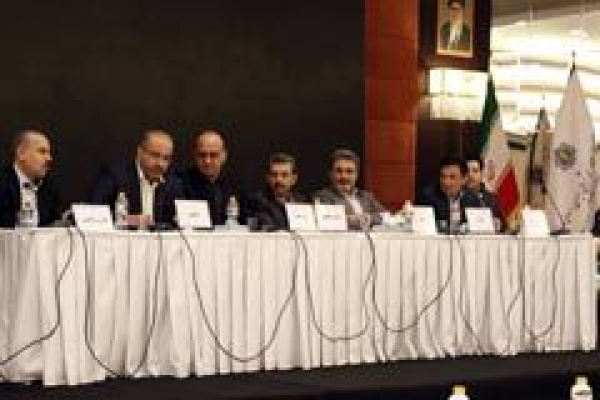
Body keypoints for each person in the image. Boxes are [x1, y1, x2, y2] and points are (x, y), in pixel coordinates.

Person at [90, 130, 184, 228]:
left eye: (166, 158)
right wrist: (127, 220)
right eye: (155, 155)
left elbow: (179, 220)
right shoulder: (115, 176)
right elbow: (93, 214)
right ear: (139, 152)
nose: (160, 164)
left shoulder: (174, 184)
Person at [180, 130, 245, 225]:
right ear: (195, 155)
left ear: (224, 156)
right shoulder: (180, 183)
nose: (207, 161)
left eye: (213, 155)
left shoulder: (235, 185)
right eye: (202, 155)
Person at [0, 130, 61, 228]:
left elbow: (53, 224)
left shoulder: (50, 187)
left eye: (49, 153)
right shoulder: (3, 181)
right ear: (21, 154)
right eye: (42, 151)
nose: (49, 158)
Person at [314, 149, 386, 230]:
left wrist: (369, 218)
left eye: (349, 171)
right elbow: (331, 222)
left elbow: (386, 217)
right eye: (339, 171)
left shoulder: (366, 196)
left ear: (356, 175)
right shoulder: (323, 197)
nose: (344, 176)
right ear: (330, 174)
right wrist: (354, 220)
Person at [418, 156, 482, 233]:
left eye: (452, 177)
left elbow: (479, 227)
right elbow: (423, 227)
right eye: (443, 176)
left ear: (464, 179)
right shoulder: (428, 197)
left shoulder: (472, 198)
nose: (446, 182)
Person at [246, 152, 306, 231]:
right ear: (268, 177)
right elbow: (266, 225)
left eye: (284, 175)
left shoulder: (302, 201)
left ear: (293, 179)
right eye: (274, 175)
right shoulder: (256, 201)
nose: (278, 180)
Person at [464, 156, 506, 232]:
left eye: (475, 171)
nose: (470, 175)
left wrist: (499, 224)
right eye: (467, 171)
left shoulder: (493, 199)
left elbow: (504, 225)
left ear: (482, 173)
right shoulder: (456, 197)